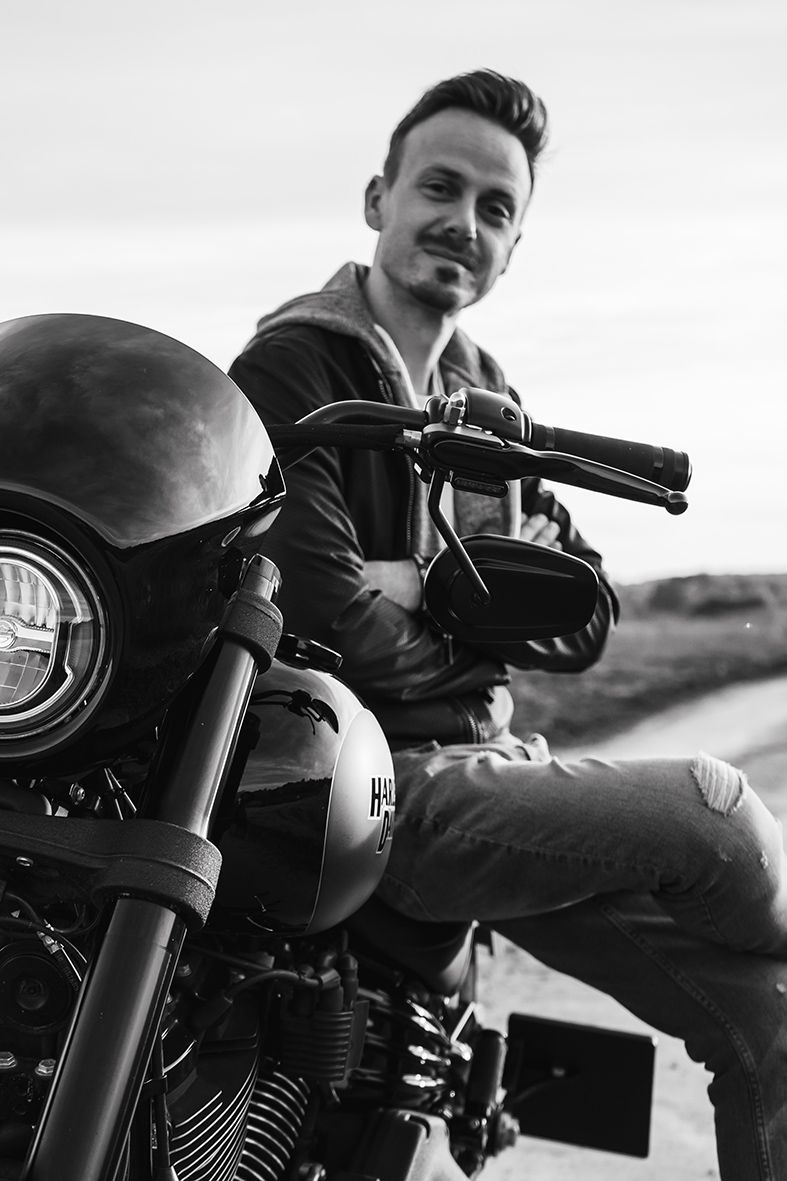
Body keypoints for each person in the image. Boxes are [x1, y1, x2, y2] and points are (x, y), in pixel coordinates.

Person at [229, 69, 787, 1180]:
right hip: (367, 785)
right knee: (715, 812)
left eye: (496, 209)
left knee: (767, 1019)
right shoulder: (295, 365)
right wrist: (477, 618)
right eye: (440, 188)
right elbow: (325, 608)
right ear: (378, 198)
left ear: (513, 247)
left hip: (486, 774)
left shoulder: (484, 395)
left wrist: (419, 585)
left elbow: (586, 615)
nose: (464, 223)